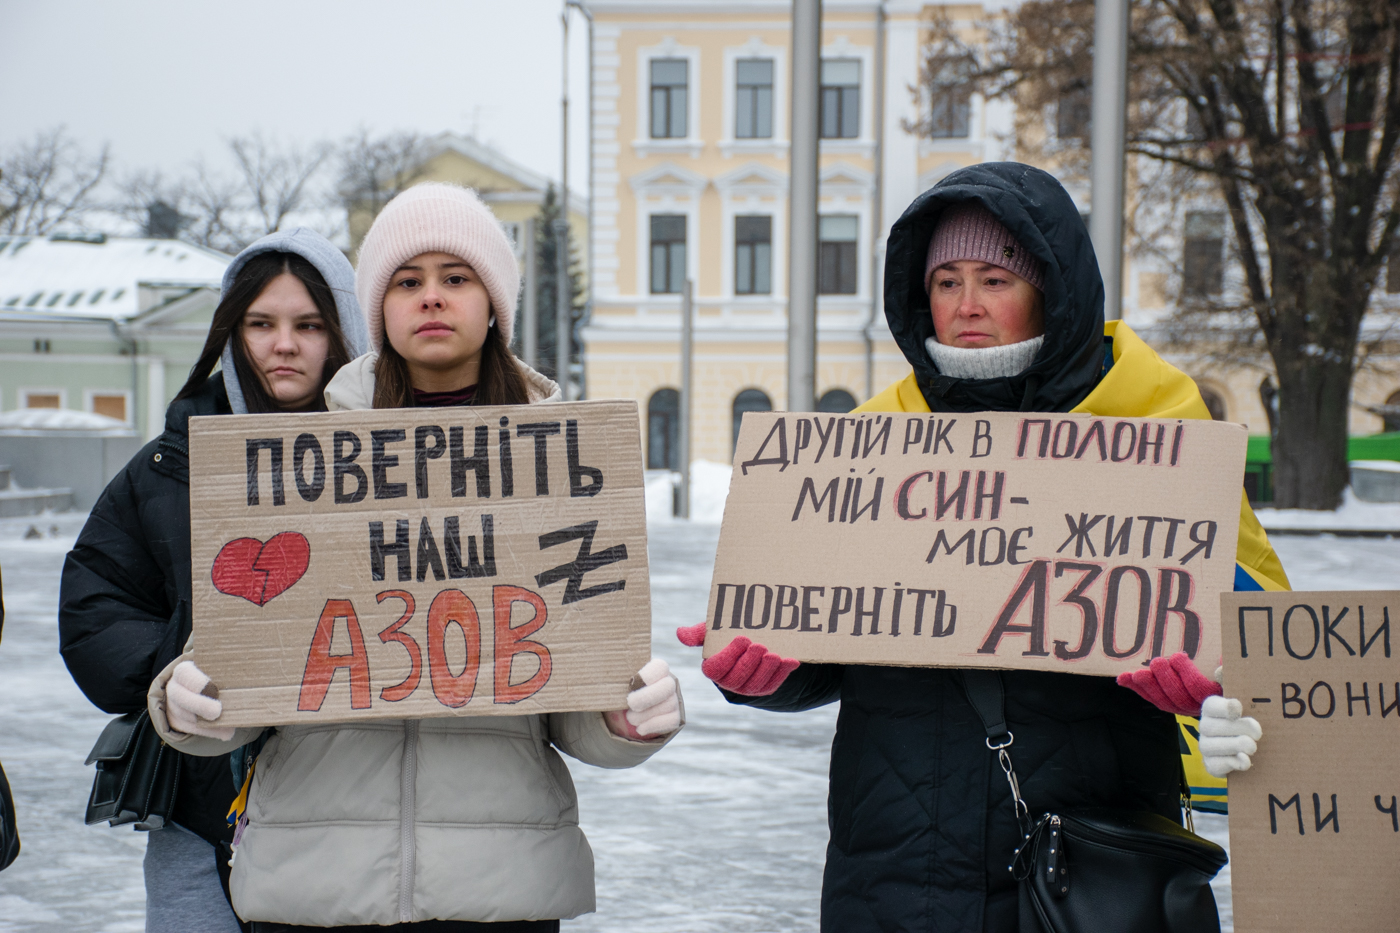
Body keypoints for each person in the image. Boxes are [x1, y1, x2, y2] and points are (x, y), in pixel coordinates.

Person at [679, 162, 1285, 931]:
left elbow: (1265, 645)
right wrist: (762, 667)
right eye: (946, 281)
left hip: (1083, 878)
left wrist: (1219, 691)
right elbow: (828, 640)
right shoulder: (867, 447)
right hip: (895, 877)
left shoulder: (1158, 435)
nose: (966, 306)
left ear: (1051, 289)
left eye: (996, 279)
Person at [145, 182, 684, 932]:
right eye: (407, 281)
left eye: (455, 278)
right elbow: (236, 669)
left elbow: (573, 708)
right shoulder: (299, 459)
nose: (431, 297)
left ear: (493, 301)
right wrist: (184, 698)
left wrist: (629, 718)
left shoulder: (564, 466)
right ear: (378, 310)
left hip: (500, 890)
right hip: (314, 888)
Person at [59, 228, 368, 933]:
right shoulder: (167, 466)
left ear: (343, 332)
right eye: (261, 323)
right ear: (232, 333)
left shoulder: (395, 466)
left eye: (308, 324)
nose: (282, 344)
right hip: (200, 810)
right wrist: (174, 670)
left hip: (347, 812)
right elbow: (93, 608)